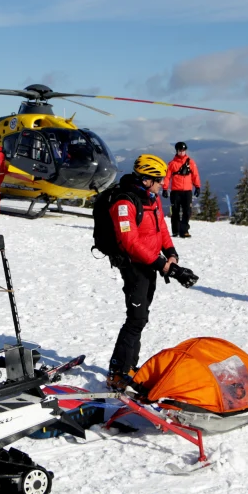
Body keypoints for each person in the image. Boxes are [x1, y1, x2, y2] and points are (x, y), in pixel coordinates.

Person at [105, 154, 179, 389]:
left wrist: (171, 253)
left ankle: (129, 367)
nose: (162, 184)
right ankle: (117, 371)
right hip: (134, 267)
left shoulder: (152, 198)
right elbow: (130, 242)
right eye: (159, 180)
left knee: (141, 318)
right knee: (135, 319)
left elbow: (161, 228)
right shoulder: (124, 202)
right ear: (146, 180)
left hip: (151, 264)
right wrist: (161, 264)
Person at [163, 141, 200, 239]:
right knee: (175, 211)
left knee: (187, 211)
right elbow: (167, 177)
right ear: (177, 151)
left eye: (184, 150)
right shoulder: (172, 164)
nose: (182, 152)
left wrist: (197, 186)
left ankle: (184, 230)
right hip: (176, 191)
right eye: (180, 150)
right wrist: (165, 188)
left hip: (187, 191)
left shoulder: (191, 162)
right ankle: (175, 231)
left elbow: (195, 175)